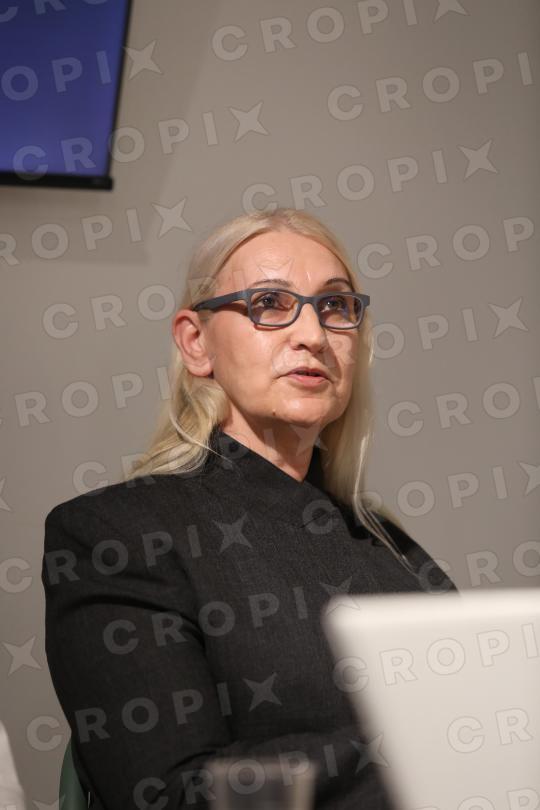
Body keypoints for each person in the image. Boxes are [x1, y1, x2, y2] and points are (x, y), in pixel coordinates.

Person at [41, 207, 457, 810]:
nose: (313, 335)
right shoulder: (115, 535)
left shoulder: (393, 548)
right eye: (269, 302)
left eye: (335, 306)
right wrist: (435, 753)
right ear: (196, 342)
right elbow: (169, 794)